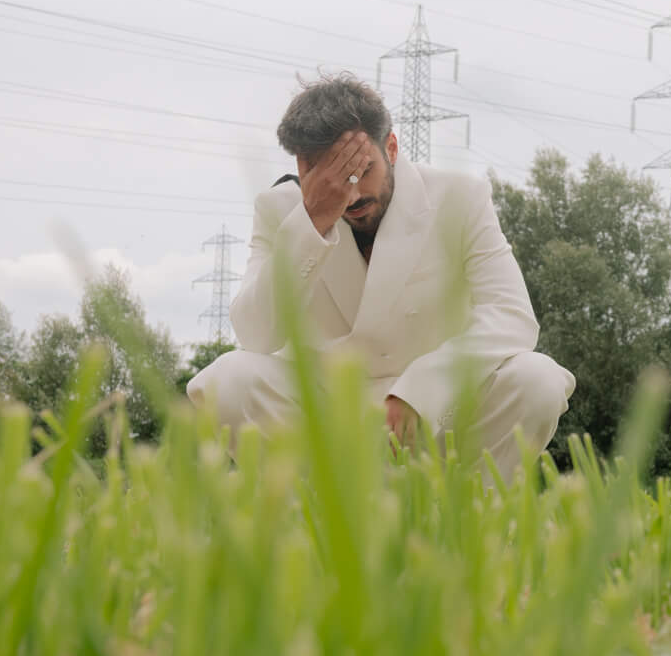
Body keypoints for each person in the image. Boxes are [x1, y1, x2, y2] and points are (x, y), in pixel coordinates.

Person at [186, 72, 573, 477]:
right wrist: (312, 222)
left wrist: (419, 392)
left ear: (391, 146)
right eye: (325, 176)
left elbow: (511, 317)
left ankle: (470, 516)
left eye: (360, 170)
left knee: (536, 378)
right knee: (224, 382)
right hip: (327, 417)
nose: (348, 195)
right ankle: (311, 516)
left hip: (441, 411)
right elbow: (255, 335)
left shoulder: (461, 196)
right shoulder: (277, 210)